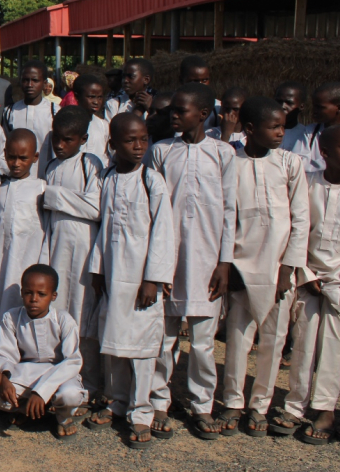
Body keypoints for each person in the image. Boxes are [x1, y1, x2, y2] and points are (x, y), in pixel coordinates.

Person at [147, 83, 236, 441]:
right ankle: (157, 402)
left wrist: (224, 263)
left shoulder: (223, 153)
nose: (174, 116)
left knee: (201, 342)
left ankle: (202, 405)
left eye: (181, 111)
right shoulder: (161, 152)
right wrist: (156, 266)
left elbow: (230, 210)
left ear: (202, 114)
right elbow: (153, 212)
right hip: (168, 258)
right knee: (164, 336)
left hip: (207, 260)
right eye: (172, 111)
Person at [218, 97, 308, 438]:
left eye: (283, 126)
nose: (281, 133)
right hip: (242, 263)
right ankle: (232, 401)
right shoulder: (232, 161)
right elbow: (226, 216)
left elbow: (301, 219)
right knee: (238, 337)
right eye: (274, 127)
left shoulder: (290, 163)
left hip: (279, 266)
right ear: (251, 129)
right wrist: (227, 264)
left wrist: (289, 268)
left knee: (274, 338)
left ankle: (260, 406)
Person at [85, 113, 175, 449]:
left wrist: (153, 279)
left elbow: (164, 233)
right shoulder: (108, 178)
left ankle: (141, 412)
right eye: (129, 140)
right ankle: (116, 401)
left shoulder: (151, 181)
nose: (138, 146)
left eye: (143, 139)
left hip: (141, 281)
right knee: (114, 345)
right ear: (113, 145)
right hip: (113, 276)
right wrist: (97, 270)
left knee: (142, 349)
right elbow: (104, 229)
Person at [278, 125, 340, 444]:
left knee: (332, 345)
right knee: (303, 342)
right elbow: (296, 230)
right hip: (307, 278)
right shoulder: (308, 185)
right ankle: (295, 406)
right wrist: (308, 275)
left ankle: (325, 410)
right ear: (324, 153)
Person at [40, 106, 104, 405]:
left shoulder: (90, 165)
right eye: (56, 139)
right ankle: (57, 378)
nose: (60, 145)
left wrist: (53, 197)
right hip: (56, 250)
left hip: (83, 251)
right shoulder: (51, 166)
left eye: (68, 140)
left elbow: (95, 208)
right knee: (60, 312)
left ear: (83, 139)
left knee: (82, 314)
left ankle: (88, 382)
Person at [0, 265, 86, 441]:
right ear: (22, 293)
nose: (34, 299)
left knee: (70, 395)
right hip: (26, 373)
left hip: (58, 373)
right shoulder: (11, 317)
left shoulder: (63, 320)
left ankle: (62, 416)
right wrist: (5, 378)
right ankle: (27, 409)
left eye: (41, 294)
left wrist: (41, 391)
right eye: (28, 293)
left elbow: (73, 361)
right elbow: (5, 354)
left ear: (53, 296)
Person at [0, 129, 45, 322]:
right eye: (11, 157)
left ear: (35, 157)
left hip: (29, 261)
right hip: (0, 263)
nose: (16, 163)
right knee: (1, 311)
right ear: (4, 154)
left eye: (23, 158)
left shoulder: (41, 188)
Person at [3, 61, 58, 176]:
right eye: (25, 80)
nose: (29, 85)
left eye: (35, 80)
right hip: (17, 178)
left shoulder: (54, 111)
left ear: (44, 84)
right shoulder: (10, 112)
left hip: (45, 176)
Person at [289, 82, 340, 173]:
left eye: (320, 107)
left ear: (339, 108)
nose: (314, 111)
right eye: (314, 106)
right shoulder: (310, 132)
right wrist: (336, 163)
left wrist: (316, 164)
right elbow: (297, 163)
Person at [70, 74, 110, 167]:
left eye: (99, 97)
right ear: (77, 96)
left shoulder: (103, 125)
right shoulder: (68, 125)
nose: (96, 102)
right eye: (91, 97)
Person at [178, 55, 221, 128]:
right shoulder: (173, 106)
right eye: (195, 81)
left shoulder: (217, 107)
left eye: (205, 80)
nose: (201, 85)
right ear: (181, 80)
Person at [275, 81, 308, 153]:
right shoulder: (264, 132)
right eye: (278, 101)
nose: (282, 106)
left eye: (289, 103)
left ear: (301, 106)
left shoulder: (305, 135)